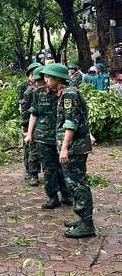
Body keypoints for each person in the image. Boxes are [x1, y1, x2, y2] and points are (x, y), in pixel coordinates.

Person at [42, 64, 96, 238]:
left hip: (74, 148)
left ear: (58, 78)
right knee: (75, 183)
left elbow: (70, 123)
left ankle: (87, 224)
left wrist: (64, 147)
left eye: (48, 77)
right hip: (75, 147)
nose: (46, 80)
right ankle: (83, 218)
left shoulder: (68, 95)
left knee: (78, 184)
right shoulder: (66, 92)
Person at [26, 66, 71, 209]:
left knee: (63, 167)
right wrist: (29, 133)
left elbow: (74, 116)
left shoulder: (66, 92)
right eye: (44, 77)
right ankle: (52, 197)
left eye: (47, 77)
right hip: (43, 137)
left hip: (61, 136)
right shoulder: (38, 93)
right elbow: (34, 114)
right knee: (49, 169)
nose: (45, 80)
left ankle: (66, 195)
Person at [18, 62, 43, 184]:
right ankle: (31, 173)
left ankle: (36, 172)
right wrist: (25, 126)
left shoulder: (44, 89)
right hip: (29, 122)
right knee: (30, 149)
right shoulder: (27, 89)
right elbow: (23, 107)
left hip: (42, 123)